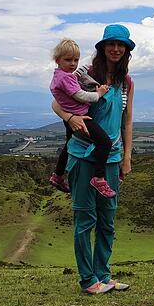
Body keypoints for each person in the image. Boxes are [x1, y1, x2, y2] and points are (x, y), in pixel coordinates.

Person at [51, 24, 135, 295]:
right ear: (102, 47)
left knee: (107, 220)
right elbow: (55, 101)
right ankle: (88, 280)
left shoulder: (127, 82)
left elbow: (127, 120)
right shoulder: (85, 73)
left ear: (126, 51)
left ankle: (104, 275)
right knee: (85, 219)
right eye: (110, 44)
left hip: (112, 158)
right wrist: (69, 117)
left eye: (121, 45)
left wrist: (127, 157)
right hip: (82, 155)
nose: (115, 49)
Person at [48, 39, 114, 198]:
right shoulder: (67, 78)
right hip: (80, 117)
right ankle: (98, 178)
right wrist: (99, 94)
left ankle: (57, 175)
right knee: (105, 142)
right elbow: (80, 95)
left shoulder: (59, 76)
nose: (73, 64)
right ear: (57, 60)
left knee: (68, 144)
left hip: (70, 117)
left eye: (75, 60)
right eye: (68, 60)